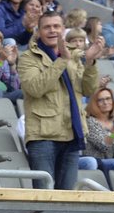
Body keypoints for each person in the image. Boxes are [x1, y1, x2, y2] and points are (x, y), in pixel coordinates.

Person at [18, 10, 102, 191]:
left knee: (67, 196)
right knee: (44, 195)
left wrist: (90, 63)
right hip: (42, 137)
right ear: (38, 31)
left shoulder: (76, 55)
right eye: (47, 27)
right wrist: (62, 60)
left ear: (63, 29)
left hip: (72, 133)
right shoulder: (27, 57)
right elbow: (35, 88)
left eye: (56, 26)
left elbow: (88, 90)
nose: (52, 30)